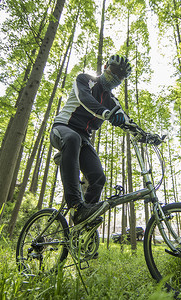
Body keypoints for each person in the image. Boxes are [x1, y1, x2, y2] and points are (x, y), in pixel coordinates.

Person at [50, 54, 132, 225]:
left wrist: (145, 135)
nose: (116, 77)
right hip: (63, 128)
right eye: (114, 71)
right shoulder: (85, 79)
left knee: (98, 177)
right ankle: (76, 207)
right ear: (105, 67)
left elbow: (125, 118)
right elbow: (85, 98)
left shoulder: (111, 99)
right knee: (72, 139)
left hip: (83, 140)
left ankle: (84, 224)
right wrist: (105, 112)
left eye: (121, 76)